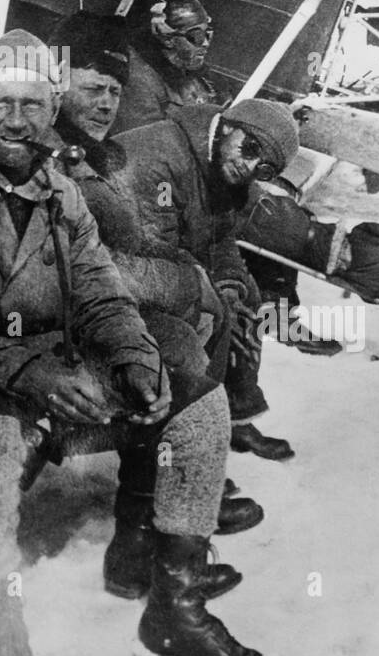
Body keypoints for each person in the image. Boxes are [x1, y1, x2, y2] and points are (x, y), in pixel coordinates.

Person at [0, 30, 283, 656]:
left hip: (35, 367)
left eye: (32, 103)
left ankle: (174, 613)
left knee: (197, 408)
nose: (18, 120)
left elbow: (100, 295)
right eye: (0, 104)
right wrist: (35, 373)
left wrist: (134, 358)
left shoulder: (62, 195)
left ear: (51, 106)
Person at [46, 12, 266, 600]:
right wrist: (190, 285)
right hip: (36, 332)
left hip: (81, 315)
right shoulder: (49, 155)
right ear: (52, 79)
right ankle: (146, 537)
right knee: (172, 347)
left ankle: (147, 535)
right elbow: (80, 265)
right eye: (93, 88)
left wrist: (210, 287)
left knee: (187, 332)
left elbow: (135, 250)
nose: (107, 105)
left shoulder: (96, 157)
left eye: (116, 92)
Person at [115, 97, 302, 464]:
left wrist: (231, 284)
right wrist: (214, 293)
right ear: (229, 126)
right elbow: (154, 249)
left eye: (263, 168)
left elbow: (220, 239)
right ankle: (181, 459)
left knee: (246, 298)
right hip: (113, 273)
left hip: (163, 266)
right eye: (249, 148)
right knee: (205, 320)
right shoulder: (162, 156)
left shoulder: (221, 166)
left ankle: (233, 414)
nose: (249, 166)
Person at [238, 181, 379, 348]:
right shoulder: (286, 233)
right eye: (352, 286)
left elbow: (277, 284)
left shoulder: (301, 232)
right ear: (345, 267)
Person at [112, 0, 216, 135]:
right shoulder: (140, 82)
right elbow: (143, 142)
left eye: (208, 34)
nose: (205, 43)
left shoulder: (190, 70)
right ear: (168, 39)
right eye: (196, 36)